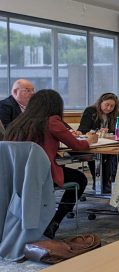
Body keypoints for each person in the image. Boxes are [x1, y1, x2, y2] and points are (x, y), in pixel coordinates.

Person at [4, 89, 98, 239]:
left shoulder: (18, 122)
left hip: (17, 176)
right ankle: (54, 222)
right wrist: (90, 141)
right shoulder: (52, 121)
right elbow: (77, 145)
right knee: (81, 179)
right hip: (41, 175)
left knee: (70, 174)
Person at [78, 93, 119, 193]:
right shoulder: (90, 111)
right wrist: (97, 131)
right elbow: (83, 129)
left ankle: (104, 183)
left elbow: (116, 131)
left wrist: (109, 132)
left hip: (108, 144)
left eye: (112, 106)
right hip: (92, 144)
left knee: (113, 155)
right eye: (107, 104)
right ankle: (100, 183)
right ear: (100, 102)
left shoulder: (115, 114)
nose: (109, 108)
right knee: (99, 156)